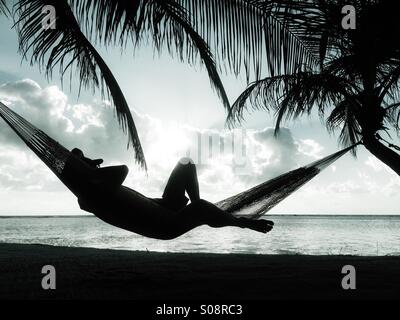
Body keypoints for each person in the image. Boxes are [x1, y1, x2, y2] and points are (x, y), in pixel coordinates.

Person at [62, 148, 274, 239]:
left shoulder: (94, 191)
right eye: (85, 160)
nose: (94, 162)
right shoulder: (93, 194)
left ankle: (202, 211)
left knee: (186, 163)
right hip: (165, 224)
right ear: (82, 172)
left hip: (163, 206)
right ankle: (243, 223)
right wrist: (90, 168)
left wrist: (87, 166)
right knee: (200, 208)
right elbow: (122, 170)